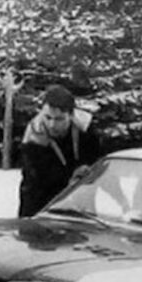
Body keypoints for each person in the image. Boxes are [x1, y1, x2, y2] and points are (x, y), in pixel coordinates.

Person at [17, 85, 100, 217]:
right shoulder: (34, 136)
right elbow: (37, 178)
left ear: (71, 115)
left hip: (81, 199)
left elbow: (99, 162)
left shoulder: (86, 129)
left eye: (59, 119)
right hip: (40, 200)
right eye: (48, 118)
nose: (52, 125)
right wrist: (71, 177)